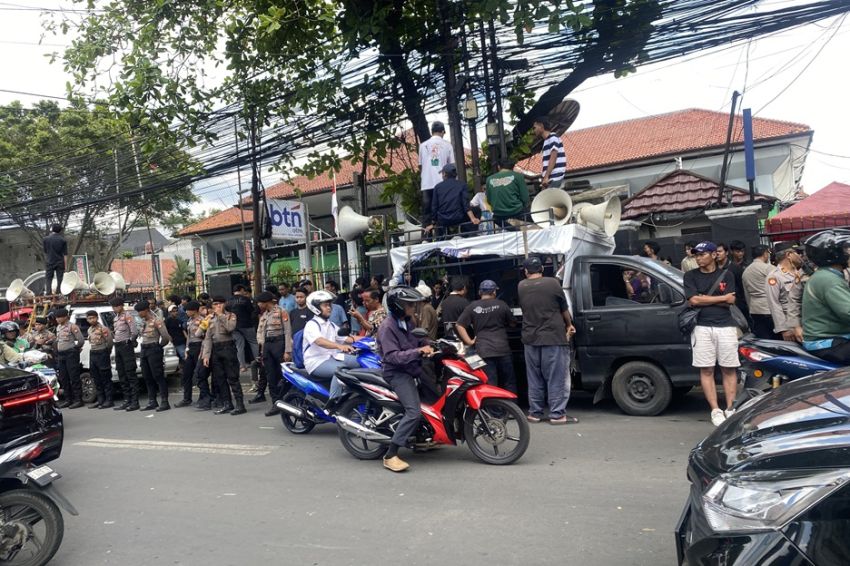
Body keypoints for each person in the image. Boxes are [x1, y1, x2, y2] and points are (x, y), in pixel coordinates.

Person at [377, 286, 435, 472]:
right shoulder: (388, 327)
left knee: (433, 395)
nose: (413, 308)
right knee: (413, 411)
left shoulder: (408, 321)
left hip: (412, 367)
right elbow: (392, 357)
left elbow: (419, 339)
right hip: (397, 372)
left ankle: (420, 437)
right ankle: (391, 454)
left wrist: (430, 345)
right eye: (409, 304)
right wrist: (418, 351)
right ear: (398, 306)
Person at [683, 242, 739, 427]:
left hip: (726, 326)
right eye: (696, 255)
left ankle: (730, 407)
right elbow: (693, 299)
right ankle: (715, 409)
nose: (698, 258)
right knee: (706, 369)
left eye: (702, 254)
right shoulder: (690, 276)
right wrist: (721, 298)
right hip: (701, 327)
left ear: (714, 255)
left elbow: (731, 301)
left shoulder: (727, 275)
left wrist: (705, 300)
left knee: (728, 368)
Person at [518, 257, 577, 425]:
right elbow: (563, 308)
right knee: (556, 377)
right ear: (542, 269)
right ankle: (557, 414)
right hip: (553, 336)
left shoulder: (521, 286)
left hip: (530, 338)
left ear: (526, 271)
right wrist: (569, 324)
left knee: (534, 377)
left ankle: (535, 413)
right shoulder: (552, 283)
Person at [455, 280, 517, 392]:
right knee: (509, 382)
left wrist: (469, 341)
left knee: (491, 383)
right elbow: (513, 323)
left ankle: (493, 409)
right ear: (494, 292)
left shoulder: (472, 306)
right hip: (502, 349)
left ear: (480, 292)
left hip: (484, 350)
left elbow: (459, 325)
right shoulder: (501, 304)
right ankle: (512, 408)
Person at [800, 230, 850, 363]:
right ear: (834, 254)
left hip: (831, 339)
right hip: (829, 343)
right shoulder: (829, 280)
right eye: (844, 250)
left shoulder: (826, 275)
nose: (847, 253)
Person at [302, 290, 358, 399]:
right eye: (325, 305)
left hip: (333, 357)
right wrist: (339, 346)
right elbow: (319, 341)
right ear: (316, 308)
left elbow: (348, 338)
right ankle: (334, 403)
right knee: (341, 371)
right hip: (317, 362)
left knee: (360, 361)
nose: (329, 308)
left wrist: (372, 339)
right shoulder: (311, 325)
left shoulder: (331, 325)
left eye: (329, 305)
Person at [201, 297, 246, 415]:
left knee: (233, 377)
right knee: (220, 378)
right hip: (216, 350)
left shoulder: (230, 315)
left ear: (224, 304)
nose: (217, 306)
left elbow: (230, 328)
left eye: (219, 304)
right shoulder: (210, 318)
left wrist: (221, 315)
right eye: (215, 304)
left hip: (228, 348)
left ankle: (240, 405)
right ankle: (227, 404)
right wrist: (206, 355)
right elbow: (208, 338)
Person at [254, 291, 293, 416]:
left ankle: (288, 400)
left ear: (266, 302)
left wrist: (288, 350)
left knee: (282, 375)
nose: (259, 305)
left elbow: (288, 331)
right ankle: (275, 403)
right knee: (270, 376)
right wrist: (261, 352)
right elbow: (261, 334)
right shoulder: (264, 315)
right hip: (267, 346)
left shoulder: (281, 311)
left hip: (279, 343)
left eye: (260, 302)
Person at [135, 301, 171, 412]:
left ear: (146, 310)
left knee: (158, 375)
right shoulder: (143, 322)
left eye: (140, 311)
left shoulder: (157, 321)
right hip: (144, 349)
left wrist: (159, 346)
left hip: (154, 348)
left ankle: (165, 401)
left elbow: (165, 337)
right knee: (147, 376)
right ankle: (152, 401)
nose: (139, 314)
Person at [425, 163, 479, 237]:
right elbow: (465, 204)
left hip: (443, 220)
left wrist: (433, 223)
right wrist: (473, 218)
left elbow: (434, 207)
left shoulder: (437, 187)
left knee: (438, 218)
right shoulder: (462, 185)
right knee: (477, 210)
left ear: (444, 174)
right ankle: (466, 235)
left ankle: (442, 237)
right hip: (458, 217)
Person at [419, 121, 454, 229]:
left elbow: (420, 166)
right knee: (441, 211)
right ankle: (441, 237)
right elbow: (451, 166)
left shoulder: (422, 145)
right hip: (442, 183)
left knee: (427, 212)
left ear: (431, 131)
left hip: (427, 183)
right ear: (443, 131)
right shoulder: (447, 145)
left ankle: (426, 239)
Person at [766, 242, 804, 342]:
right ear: (788, 255)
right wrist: (783, 329)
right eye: (796, 252)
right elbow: (774, 304)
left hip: (805, 321)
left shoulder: (800, 272)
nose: (800, 255)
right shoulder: (774, 276)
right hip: (790, 325)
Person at [110, 297, 140, 411]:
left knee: (130, 373)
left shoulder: (127, 316)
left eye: (116, 306)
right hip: (118, 346)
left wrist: (130, 341)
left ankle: (134, 401)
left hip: (126, 345)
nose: (114, 308)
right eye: (113, 307)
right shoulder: (116, 317)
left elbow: (134, 331)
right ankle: (127, 400)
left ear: (121, 305)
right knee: (121, 374)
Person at [742, 245, 776, 339]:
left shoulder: (746, 271)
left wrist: (750, 308)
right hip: (770, 309)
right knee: (778, 340)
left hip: (755, 310)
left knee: (764, 339)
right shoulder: (769, 268)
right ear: (765, 254)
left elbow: (746, 294)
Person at [53, 308, 84, 409]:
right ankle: (68, 399)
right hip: (61, 355)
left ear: (65, 317)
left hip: (70, 354)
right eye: (56, 317)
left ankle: (78, 399)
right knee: (63, 377)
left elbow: (81, 340)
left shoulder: (72, 326)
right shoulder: (58, 327)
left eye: (59, 317)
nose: (57, 319)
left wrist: (75, 349)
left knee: (73, 377)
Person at [177, 301, 207, 408]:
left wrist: (203, 351)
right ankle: (187, 398)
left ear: (194, 310)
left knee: (200, 374)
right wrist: (186, 349)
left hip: (200, 347)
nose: (186, 312)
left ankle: (204, 398)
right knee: (186, 374)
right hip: (191, 348)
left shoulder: (203, 320)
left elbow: (206, 337)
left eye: (188, 310)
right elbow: (189, 336)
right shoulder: (190, 321)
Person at [485, 159, 530, 228]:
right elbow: (525, 198)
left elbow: (489, 200)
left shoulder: (489, 179)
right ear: (513, 167)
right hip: (517, 212)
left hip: (498, 216)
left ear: (499, 167)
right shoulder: (518, 176)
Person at [85, 310, 114, 409]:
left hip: (102, 353)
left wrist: (106, 352)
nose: (91, 320)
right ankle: (100, 400)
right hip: (93, 353)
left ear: (97, 318)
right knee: (96, 378)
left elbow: (109, 342)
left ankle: (109, 400)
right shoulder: (89, 330)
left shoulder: (103, 329)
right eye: (89, 318)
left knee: (105, 377)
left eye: (93, 318)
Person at [228, 284, 259, 373]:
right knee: (253, 342)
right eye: (243, 290)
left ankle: (242, 366)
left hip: (234, 325)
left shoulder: (229, 300)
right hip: (247, 324)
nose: (244, 292)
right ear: (241, 290)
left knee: (239, 345)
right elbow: (251, 311)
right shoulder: (245, 299)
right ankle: (258, 362)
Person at [717, 243, 748, 322]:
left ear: (726, 253)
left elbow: (742, 287)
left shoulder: (735, 267)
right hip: (719, 304)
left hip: (736, 303)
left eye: (720, 251)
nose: (717, 254)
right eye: (715, 252)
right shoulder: (713, 268)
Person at [532, 119, 567, 190]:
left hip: (555, 175)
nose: (534, 130)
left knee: (548, 199)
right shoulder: (547, 140)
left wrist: (546, 177)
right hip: (551, 176)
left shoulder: (552, 137)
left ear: (541, 126)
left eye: (534, 128)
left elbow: (553, 157)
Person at [43, 224, 67, 295]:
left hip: (50, 261)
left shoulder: (45, 239)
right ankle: (58, 293)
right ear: (60, 231)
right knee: (60, 278)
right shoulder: (63, 240)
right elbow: (65, 254)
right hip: (60, 262)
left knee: (48, 278)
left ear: (52, 229)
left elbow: (45, 251)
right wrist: (65, 266)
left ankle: (48, 293)